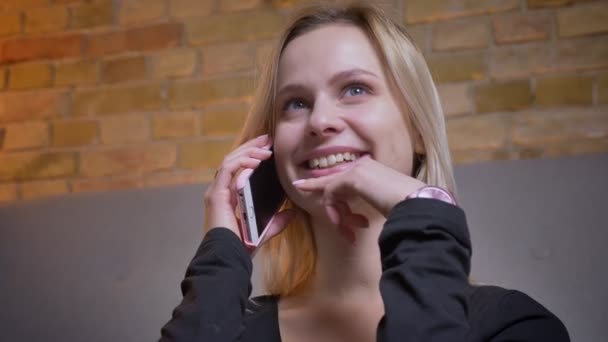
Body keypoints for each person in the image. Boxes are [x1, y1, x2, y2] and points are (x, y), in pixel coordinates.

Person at [159, 3, 569, 341]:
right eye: (295, 103)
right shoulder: (230, 327)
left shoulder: (514, 325)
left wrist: (425, 215)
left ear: (418, 129)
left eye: (355, 89)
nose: (319, 120)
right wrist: (221, 254)